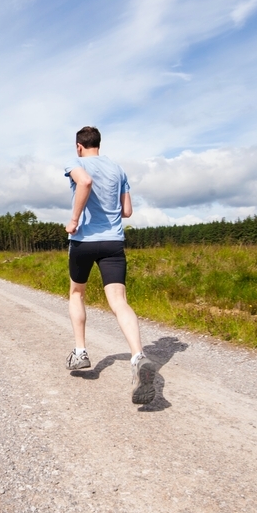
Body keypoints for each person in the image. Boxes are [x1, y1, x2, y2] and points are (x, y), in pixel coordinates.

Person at [64, 126, 156, 405]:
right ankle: (138, 356)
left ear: (79, 146)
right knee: (119, 301)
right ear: (98, 144)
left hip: (84, 241)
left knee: (77, 293)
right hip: (114, 242)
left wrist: (74, 219)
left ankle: (80, 353)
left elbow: (85, 182)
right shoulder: (118, 169)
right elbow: (127, 211)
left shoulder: (75, 163)